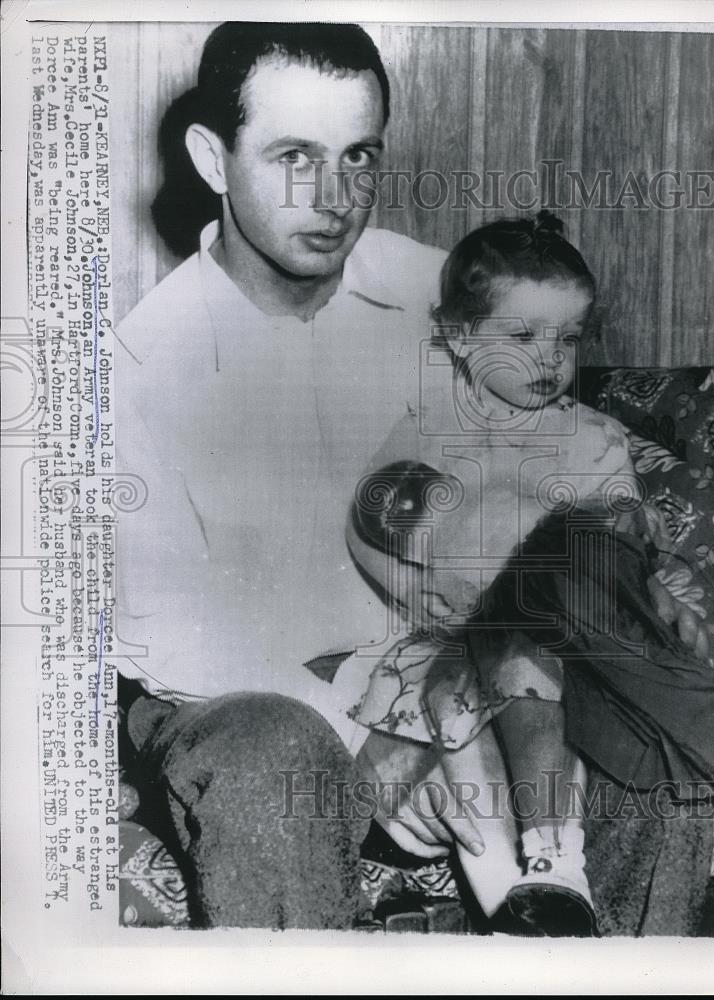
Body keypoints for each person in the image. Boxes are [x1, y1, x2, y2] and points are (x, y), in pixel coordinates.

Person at [114, 21, 469, 929]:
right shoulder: (137, 370)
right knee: (271, 745)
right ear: (211, 157)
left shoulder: (444, 304)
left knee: (620, 699)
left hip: (432, 668)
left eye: (359, 156)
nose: (335, 196)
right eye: (292, 156)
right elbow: (168, 642)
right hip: (232, 698)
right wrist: (383, 736)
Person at [345, 214, 714, 935]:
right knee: (453, 714)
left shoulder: (592, 438)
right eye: (524, 337)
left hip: (558, 641)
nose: (550, 360)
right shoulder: (425, 430)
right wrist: (411, 591)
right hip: (454, 633)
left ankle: (554, 858)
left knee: (545, 680)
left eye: (568, 339)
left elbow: (622, 541)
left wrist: (658, 579)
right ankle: (516, 903)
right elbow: (368, 525)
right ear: (460, 338)